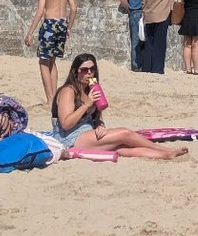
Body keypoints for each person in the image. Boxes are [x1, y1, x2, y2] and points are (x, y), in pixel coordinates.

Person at [50, 54, 187, 160]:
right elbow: (66, 124)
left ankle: (165, 156)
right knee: (124, 134)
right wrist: (87, 104)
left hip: (86, 132)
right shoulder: (68, 91)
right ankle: (163, 150)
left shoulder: (90, 90)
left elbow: (96, 117)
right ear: (75, 72)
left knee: (122, 147)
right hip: (69, 138)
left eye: (92, 69)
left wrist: (99, 125)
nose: (89, 73)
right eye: (84, 70)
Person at [23, 0, 78, 104]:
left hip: (50, 23)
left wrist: (30, 32)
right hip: (62, 23)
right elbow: (73, 8)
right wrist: (69, 27)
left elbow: (40, 10)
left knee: (43, 62)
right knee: (52, 62)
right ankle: (54, 98)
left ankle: (50, 98)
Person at [119, 0, 154, 72]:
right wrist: (130, 10)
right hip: (136, 13)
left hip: (147, 12)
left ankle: (144, 64)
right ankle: (136, 66)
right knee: (136, 40)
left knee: (146, 39)